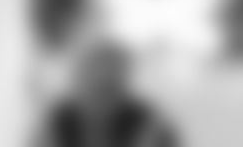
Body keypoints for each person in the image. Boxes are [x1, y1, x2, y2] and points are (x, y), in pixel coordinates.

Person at [33, 38, 180, 147]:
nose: (100, 97)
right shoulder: (56, 124)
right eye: (92, 80)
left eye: (109, 85)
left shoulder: (149, 123)